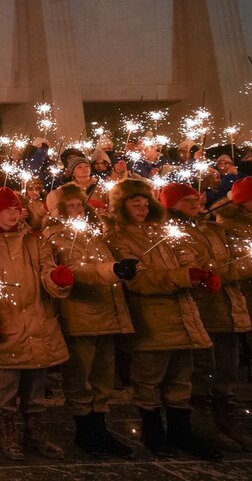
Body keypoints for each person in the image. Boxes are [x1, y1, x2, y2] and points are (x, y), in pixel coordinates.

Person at [105, 179, 222, 461]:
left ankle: (181, 432)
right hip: (151, 318)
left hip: (182, 315)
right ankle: (153, 431)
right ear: (122, 205)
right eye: (135, 201)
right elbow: (138, 280)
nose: (142, 207)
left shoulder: (162, 231)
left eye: (146, 201)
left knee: (181, 377)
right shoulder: (119, 237)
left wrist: (200, 272)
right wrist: (182, 277)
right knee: (148, 379)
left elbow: (187, 258)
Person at [0, 187, 72, 461]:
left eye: (16, 209)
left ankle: (35, 431)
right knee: (7, 384)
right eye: (6, 209)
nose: (13, 214)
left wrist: (56, 280)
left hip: (37, 324)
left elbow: (46, 272)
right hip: (7, 325)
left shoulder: (35, 240)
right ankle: (8, 430)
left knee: (36, 383)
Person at [43, 183, 136, 458]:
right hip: (80, 314)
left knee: (103, 375)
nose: (77, 209)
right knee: (80, 375)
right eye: (70, 205)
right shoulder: (56, 237)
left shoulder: (96, 236)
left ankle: (100, 425)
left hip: (108, 313)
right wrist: (112, 270)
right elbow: (78, 270)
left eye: (79, 204)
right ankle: (84, 427)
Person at [160, 182, 252, 451]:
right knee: (203, 370)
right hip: (203, 308)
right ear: (172, 205)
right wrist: (242, 269)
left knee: (227, 369)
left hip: (229, 307)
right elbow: (202, 267)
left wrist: (237, 267)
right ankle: (202, 422)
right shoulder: (174, 232)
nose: (195, 205)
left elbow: (231, 259)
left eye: (195, 200)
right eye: (187, 201)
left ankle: (226, 419)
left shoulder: (213, 229)